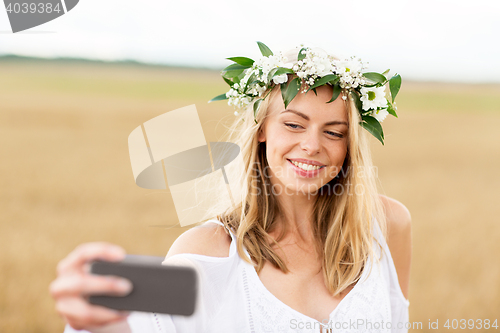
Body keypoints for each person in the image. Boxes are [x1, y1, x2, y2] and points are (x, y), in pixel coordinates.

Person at [50, 43, 412, 333]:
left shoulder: (387, 224)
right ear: (262, 131)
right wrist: (99, 322)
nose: (313, 146)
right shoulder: (210, 251)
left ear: (351, 147)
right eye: (294, 125)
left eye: (334, 132)